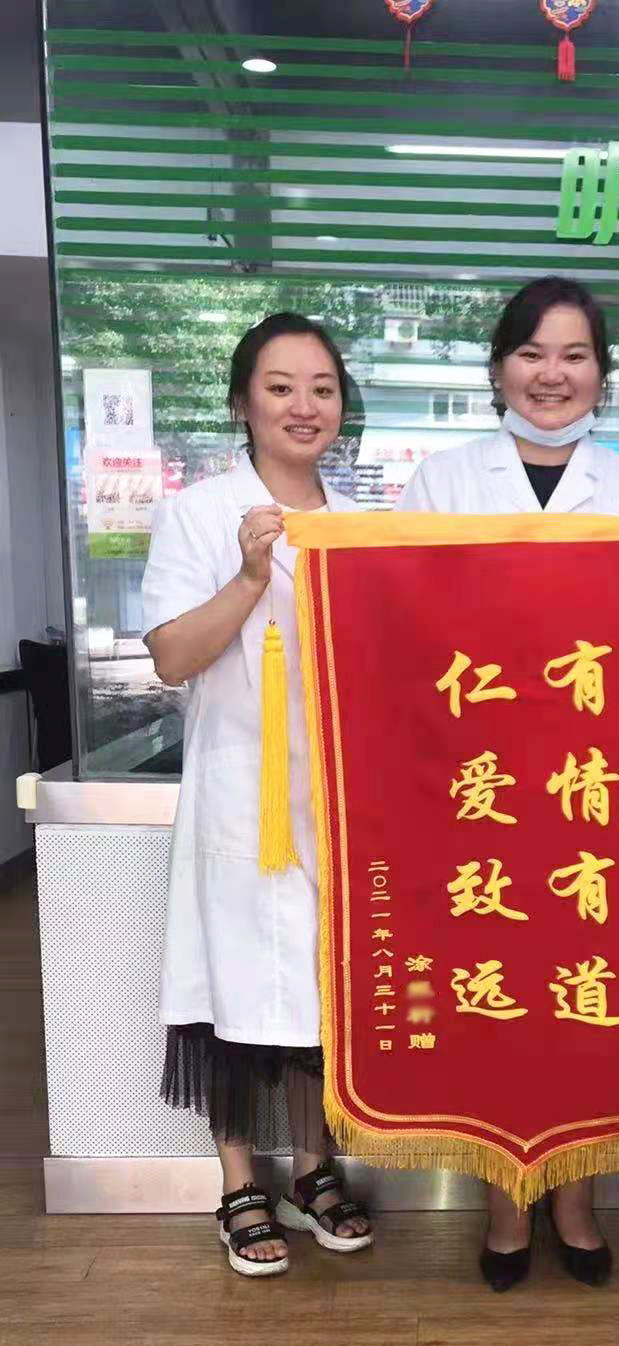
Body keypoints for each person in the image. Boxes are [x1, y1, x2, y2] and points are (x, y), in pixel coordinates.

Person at [398, 275, 619, 1291]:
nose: (551, 375)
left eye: (574, 355)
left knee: (585, 1004)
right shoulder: (441, 483)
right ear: (497, 368)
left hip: (591, 792)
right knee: (494, 1004)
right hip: (479, 790)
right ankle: (505, 1207)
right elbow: (406, 635)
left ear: (602, 372)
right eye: (531, 353)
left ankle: (577, 1200)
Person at [142, 313, 372, 1277]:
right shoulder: (200, 512)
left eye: (322, 388)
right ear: (243, 402)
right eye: (280, 387)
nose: (303, 406)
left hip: (338, 801)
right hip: (240, 793)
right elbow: (170, 657)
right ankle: (239, 1182)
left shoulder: (360, 526)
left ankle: (316, 1172)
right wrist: (248, 576)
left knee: (326, 991)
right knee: (230, 986)